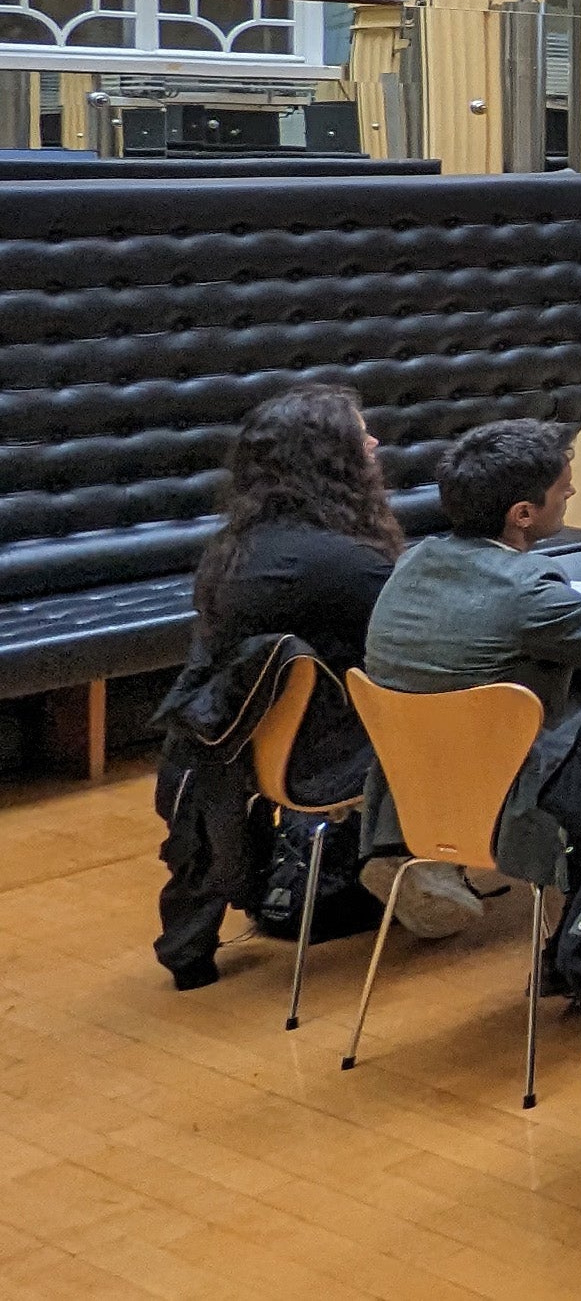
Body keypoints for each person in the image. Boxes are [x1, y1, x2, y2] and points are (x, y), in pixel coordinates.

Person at [155, 385, 406, 982]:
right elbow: (412, 644)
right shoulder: (345, 561)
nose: (374, 444)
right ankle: (427, 867)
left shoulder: (237, 548)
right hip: (325, 758)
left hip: (242, 749)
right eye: (361, 436)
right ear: (329, 460)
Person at [358, 417, 581, 935]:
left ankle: (422, 857)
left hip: (413, 781)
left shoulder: (413, 561)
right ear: (523, 514)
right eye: (562, 491)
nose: (570, 496)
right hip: (506, 784)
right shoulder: (527, 591)